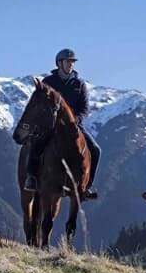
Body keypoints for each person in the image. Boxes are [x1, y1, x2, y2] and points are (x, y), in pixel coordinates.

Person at [22, 48, 100, 200]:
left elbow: (84, 109)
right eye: (68, 61)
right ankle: (31, 178)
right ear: (59, 63)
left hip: (74, 127)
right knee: (35, 145)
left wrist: (74, 121)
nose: (71, 64)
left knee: (96, 150)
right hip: (50, 126)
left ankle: (86, 187)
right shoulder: (48, 82)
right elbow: (39, 104)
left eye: (72, 62)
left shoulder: (79, 84)